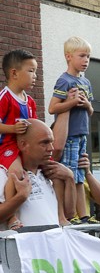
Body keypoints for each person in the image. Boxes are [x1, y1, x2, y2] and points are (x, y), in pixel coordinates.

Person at [0, 49, 69, 229]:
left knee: (55, 171)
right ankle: (12, 216)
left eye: (36, 71)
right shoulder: (4, 97)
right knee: (15, 172)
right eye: (31, 71)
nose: (35, 76)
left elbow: (34, 126)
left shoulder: (29, 100)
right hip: (8, 145)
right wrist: (12, 129)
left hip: (25, 147)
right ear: (14, 73)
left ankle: (61, 216)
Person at [49, 36, 94, 225]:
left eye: (88, 57)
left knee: (80, 175)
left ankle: (83, 216)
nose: (86, 60)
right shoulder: (64, 80)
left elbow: (91, 110)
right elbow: (53, 108)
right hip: (68, 135)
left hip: (82, 134)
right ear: (68, 57)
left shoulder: (87, 83)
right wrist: (73, 102)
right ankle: (69, 215)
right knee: (69, 174)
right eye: (82, 56)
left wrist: (85, 104)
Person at [0, 119, 75, 228]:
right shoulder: (3, 173)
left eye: (51, 142)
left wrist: (70, 178)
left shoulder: (49, 174)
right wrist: (21, 196)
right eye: (44, 143)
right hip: (22, 245)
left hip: (53, 243)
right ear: (23, 145)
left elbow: (69, 214)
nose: (51, 148)